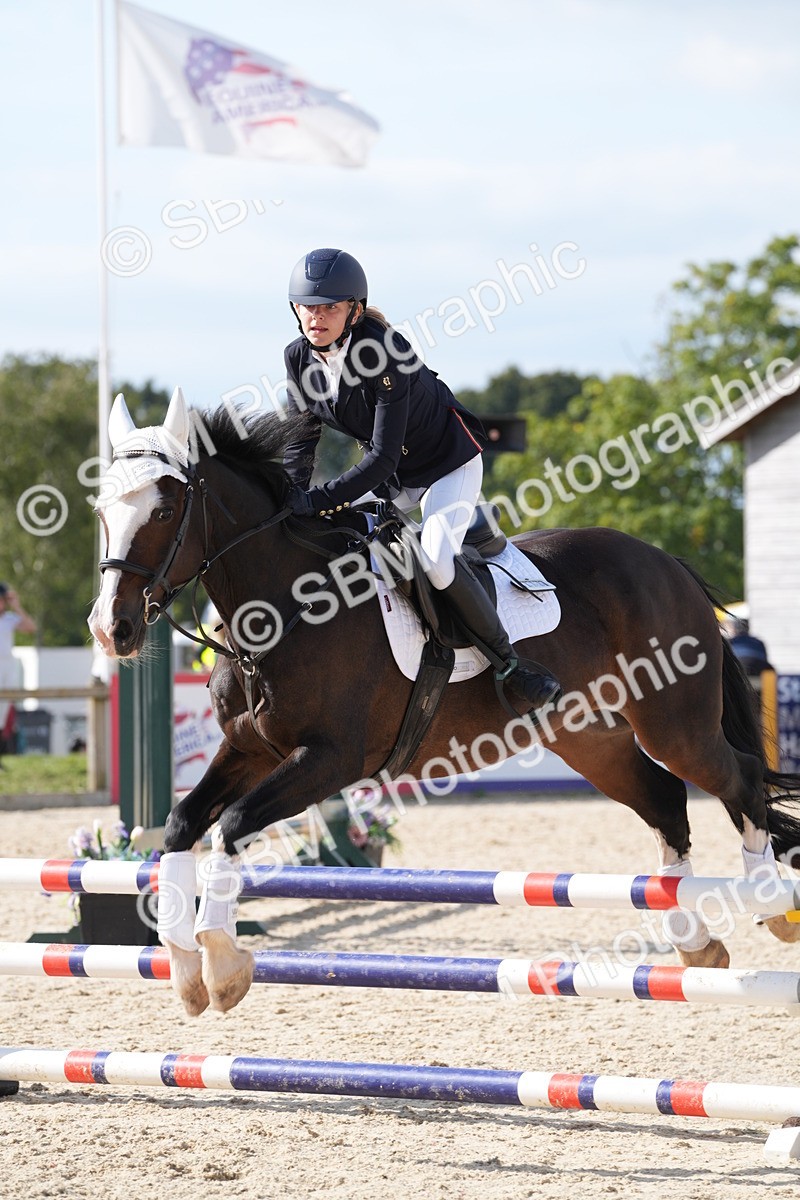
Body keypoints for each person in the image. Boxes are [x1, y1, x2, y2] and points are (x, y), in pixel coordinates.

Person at [280, 247, 562, 714]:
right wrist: (290, 501)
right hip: (393, 478)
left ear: (353, 309)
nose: (317, 317)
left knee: (435, 558)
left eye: (330, 306)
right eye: (308, 307)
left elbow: (382, 458)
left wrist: (317, 501)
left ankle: (509, 663)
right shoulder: (298, 359)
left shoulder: (384, 350)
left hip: (445, 466)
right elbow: (299, 445)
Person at [0, 583, 36, 744]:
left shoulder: (9, 619)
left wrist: (16, 606)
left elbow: (30, 627)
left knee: (2, 711)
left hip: (6, 667)